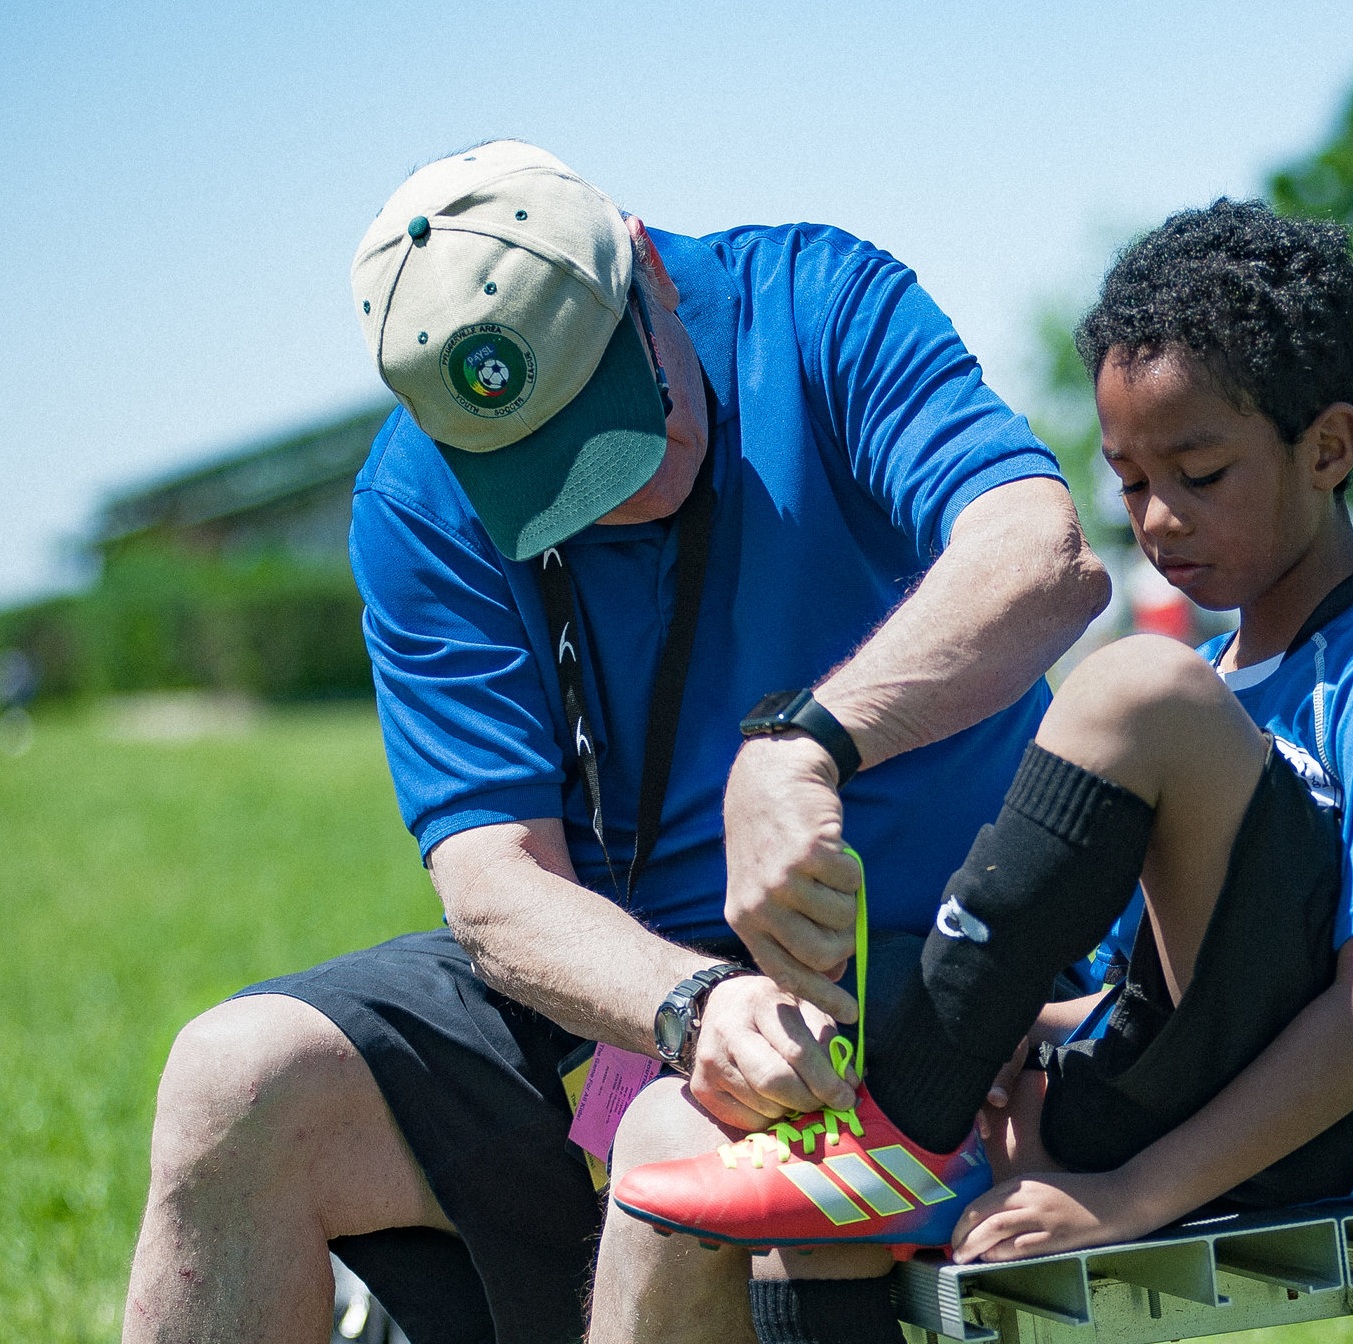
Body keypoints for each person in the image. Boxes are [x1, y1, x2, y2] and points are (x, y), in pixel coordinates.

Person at [121, 141, 1110, 1344]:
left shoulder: (821, 304)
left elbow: (1042, 561)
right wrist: (690, 1003)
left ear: (644, 268)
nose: (619, 492)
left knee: (672, 1148)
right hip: (641, 993)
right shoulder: (413, 498)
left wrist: (808, 744)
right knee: (236, 1081)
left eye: (617, 421)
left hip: (941, 972)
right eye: (552, 473)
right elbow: (495, 886)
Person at [613, 199, 1353, 1278]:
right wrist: (1030, 1030)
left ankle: (901, 1129)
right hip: (1240, 1070)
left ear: (1329, 447)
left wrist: (1127, 1196)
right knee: (899, 1128)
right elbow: (1149, 979)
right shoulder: (1218, 691)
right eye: (1128, 482)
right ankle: (902, 1129)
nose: (1157, 519)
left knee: (1125, 684)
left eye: (1198, 476)